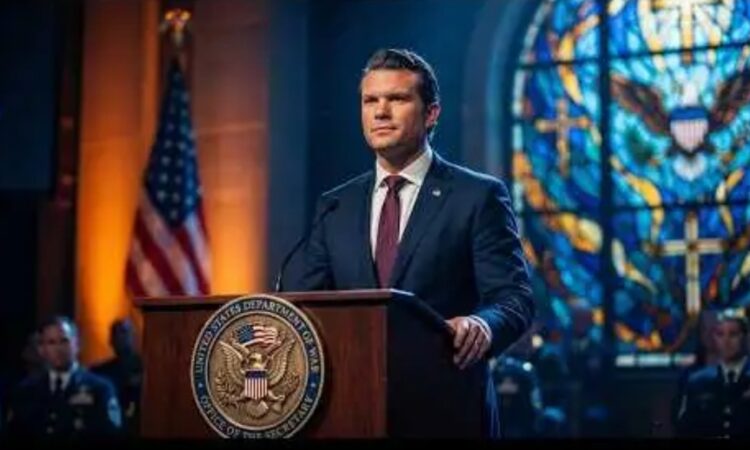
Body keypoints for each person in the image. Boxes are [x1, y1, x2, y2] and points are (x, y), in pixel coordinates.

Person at [286, 48, 534, 437]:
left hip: (446, 409)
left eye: (397, 99)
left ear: (431, 113)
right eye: (370, 101)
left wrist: (482, 325)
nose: (380, 112)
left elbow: (514, 299)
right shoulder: (336, 205)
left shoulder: (476, 196)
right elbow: (306, 304)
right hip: (350, 409)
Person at [5, 316, 122, 437]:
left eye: (64, 341)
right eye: (51, 343)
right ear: (41, 349)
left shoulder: (100, 389)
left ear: (77, 345)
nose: (59, 349)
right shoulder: (26, 391)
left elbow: (111, 434)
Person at [676, 310, 750, 438]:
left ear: (746, 337)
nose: (726, 341)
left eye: (733, 334)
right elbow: (685, 428)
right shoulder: (698, 382)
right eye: (720, 334)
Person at [92, 318, 143, 436]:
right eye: (116, 334)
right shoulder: (100, 372)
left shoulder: (147, 368)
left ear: (134, 337)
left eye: (124, 332)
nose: (120, 338)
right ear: (110, 340)